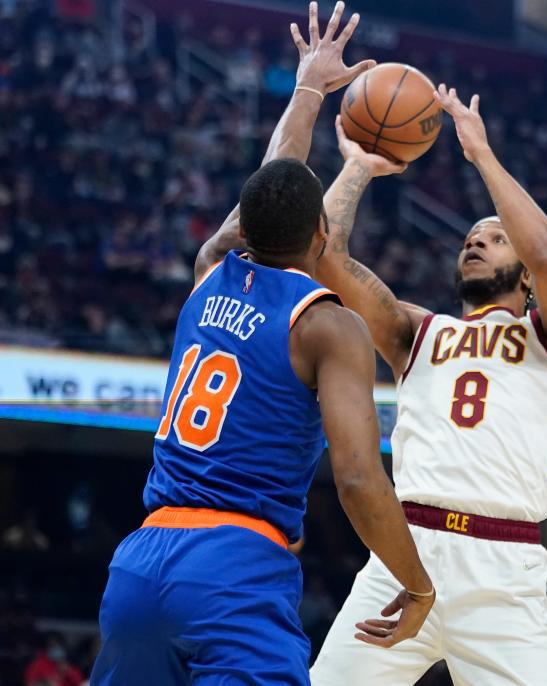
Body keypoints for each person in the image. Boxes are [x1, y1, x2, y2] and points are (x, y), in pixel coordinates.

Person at [90, 4, 432, 684]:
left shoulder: (208, 271)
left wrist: (309, 88)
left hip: (140, 560)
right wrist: (418, 586)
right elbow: (359, 478)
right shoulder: (327, 324)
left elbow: (271, 181)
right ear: (320, 239)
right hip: (234, 570)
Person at [309, 86, 547, 684]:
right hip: (404, 554)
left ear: (525, 279)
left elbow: (546, 253)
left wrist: (482, 156)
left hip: (504, 568)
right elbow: (326, 256)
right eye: (470, 236)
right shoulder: (416, 331)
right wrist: (358, 166)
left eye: (493, 237)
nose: (475, 241)